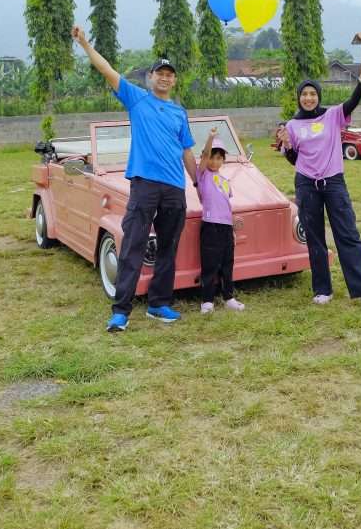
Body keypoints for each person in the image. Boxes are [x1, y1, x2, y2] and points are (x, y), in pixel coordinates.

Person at [71, 26, 197, 332]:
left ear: (174, 80)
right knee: (133, 246)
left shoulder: (179, 113)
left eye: (170, 74)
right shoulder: (137, 99)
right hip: (144, 184)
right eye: (160, 73)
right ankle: (121, 311)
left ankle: (158, 304)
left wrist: (199, 183)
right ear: (150, 78)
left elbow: (187, 152)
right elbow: (107, 70)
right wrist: (86, 44)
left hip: (174, 188)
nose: (165, 78)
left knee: (168, 247)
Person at [276, 57, 361, 312]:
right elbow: (294, 159)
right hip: (306, 184)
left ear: (318, 95)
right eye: (304, 94)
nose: (308, 98)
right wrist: (286, 144)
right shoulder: (292, 125)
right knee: (314, 237)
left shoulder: (332, 115)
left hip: (334, 182)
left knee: (348, 234)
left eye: (312, 93)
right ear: (299, 98)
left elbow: (352, 102)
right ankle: (322, 290)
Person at [196, 127, 245, 315]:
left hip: (226, 228)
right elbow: (205, 154)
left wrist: (232, 221)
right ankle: (207, 301)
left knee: (227, 262)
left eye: (219, 158)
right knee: (210, 263)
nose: (214, 161)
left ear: (223, 160)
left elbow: (225, 204)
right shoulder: (202, 176)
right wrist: (210, 137)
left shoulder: (225, 181)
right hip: (210, 226)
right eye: (211, 157)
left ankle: (229, 297)